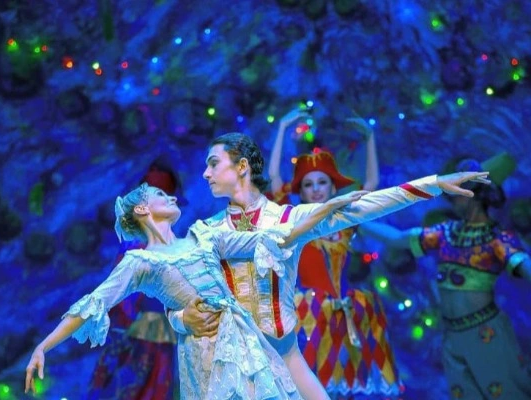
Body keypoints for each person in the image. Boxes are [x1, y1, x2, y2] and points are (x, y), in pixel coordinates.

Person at [165, 132, 489, 400]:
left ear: (241, 167)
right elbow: (173, 292)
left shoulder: (288, 218)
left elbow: (367, 205)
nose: (205, 173)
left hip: (286, 356)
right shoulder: (205, 232)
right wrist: (181, 318)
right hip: (233, 364)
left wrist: (435, 184)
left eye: (213, 163)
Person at [25, 182, 370, 399]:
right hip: (206, 353)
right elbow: (94, 302)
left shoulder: (205, 237)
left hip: (244, 340)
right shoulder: (141, 262)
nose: (171, 196)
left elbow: (275, 238)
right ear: (143, 209)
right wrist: (44, 346)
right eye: (161, 195)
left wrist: (326, 209)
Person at [360, 153, 531, 400]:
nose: (453, 199)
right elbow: (399, 239)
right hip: (453, 336)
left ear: (477, 194)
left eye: (459, 192)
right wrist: (357, 221)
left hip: (487, 334)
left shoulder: (496, 239)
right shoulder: (445, 233)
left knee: (505, 393)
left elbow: (524, 265)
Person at [267, 110, 403, 398]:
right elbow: (275, 178)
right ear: (301, 191)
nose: (316, 189)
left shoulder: (344, 222)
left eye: (322, 182)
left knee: (343, 385)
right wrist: (282, 127)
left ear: (332, 187)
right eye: (308, 184)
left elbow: (371, 186)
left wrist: (370, 138)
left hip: (344, 312)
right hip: (308, 315)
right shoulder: (294, 221)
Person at [87, 159, 183, 400]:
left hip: (158, 334)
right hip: (132, 333)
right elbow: (121, 291)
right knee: (125, 386)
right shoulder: (135, 245)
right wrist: (126, 321)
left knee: (154, 386)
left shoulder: (171, 244)